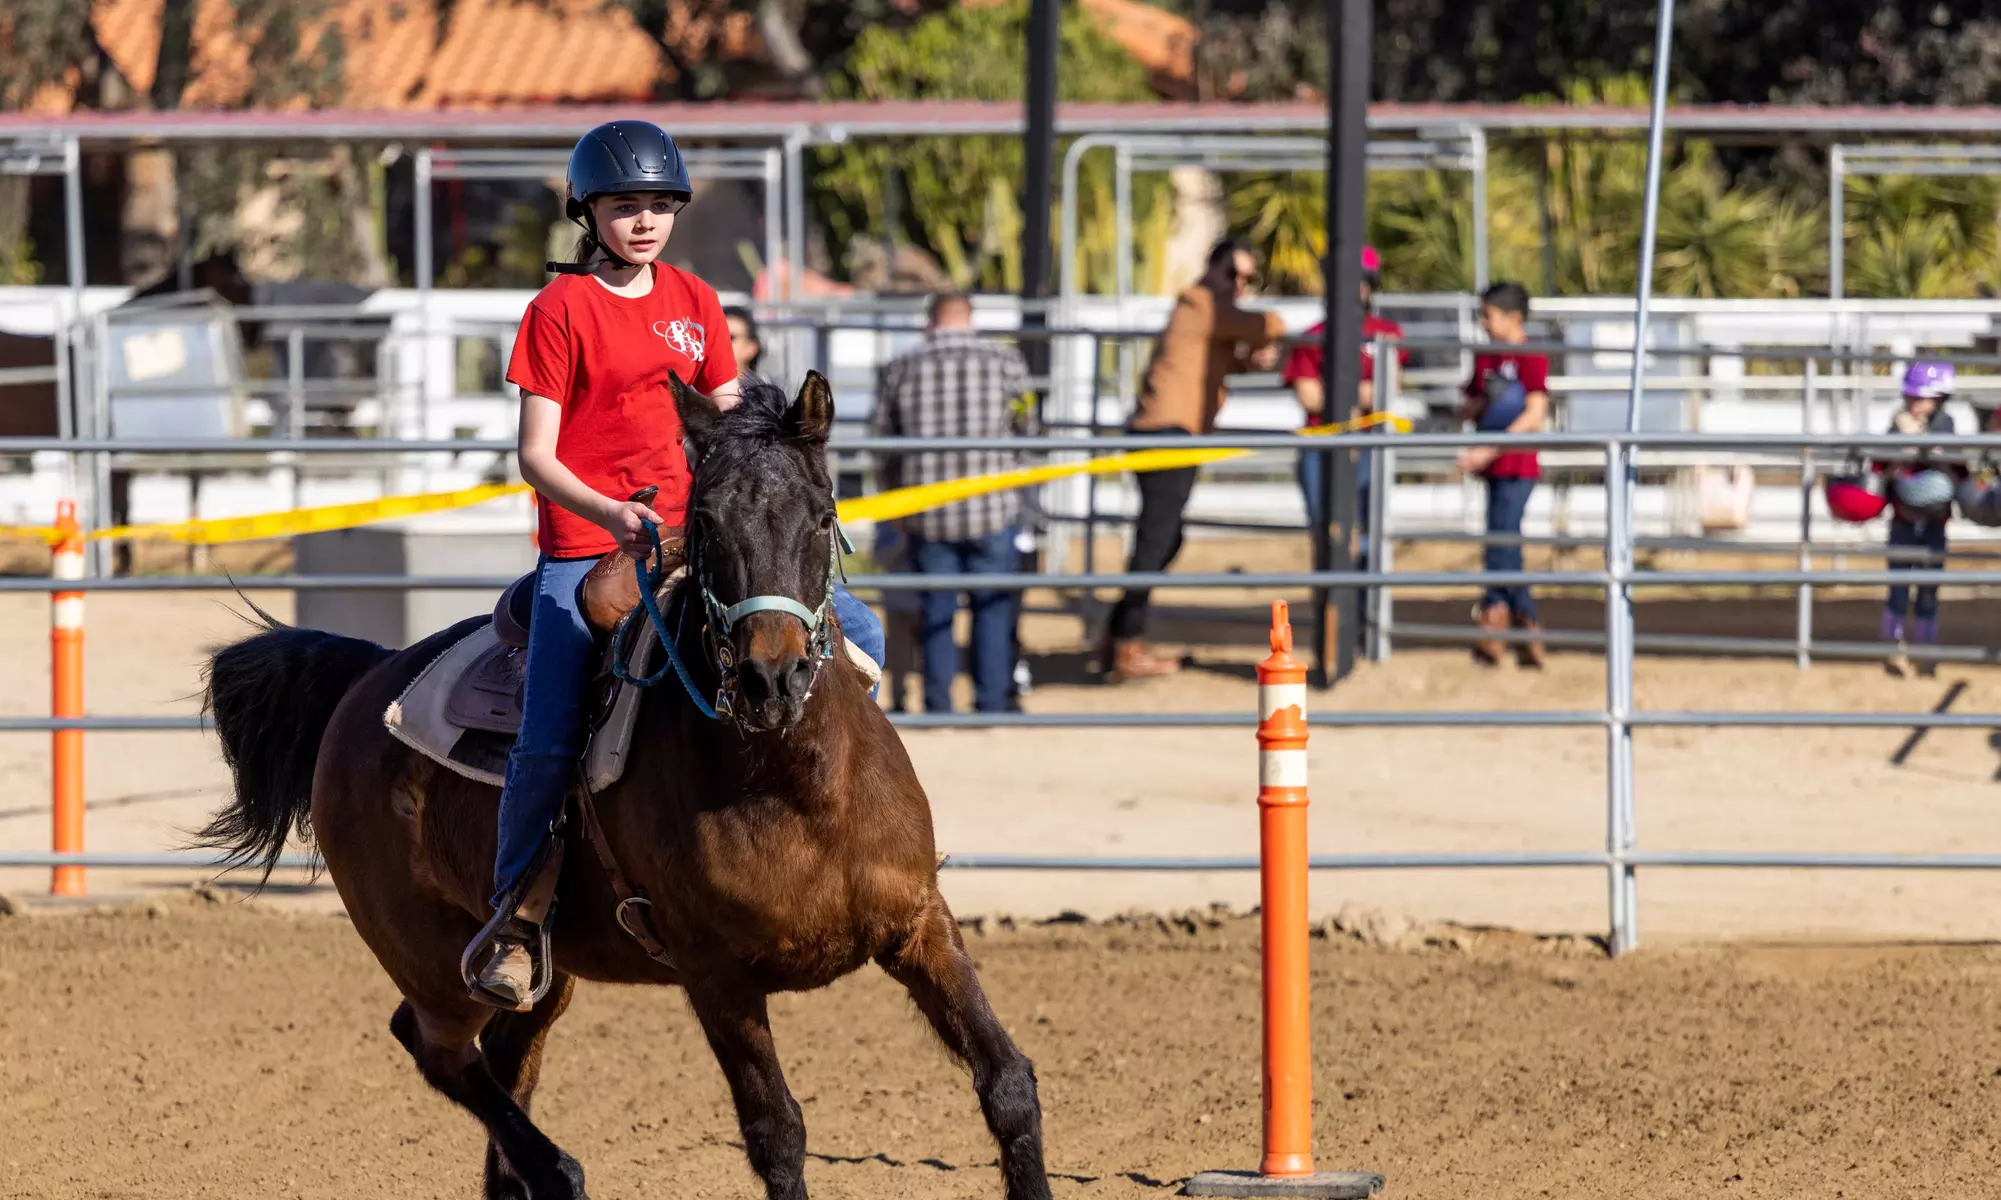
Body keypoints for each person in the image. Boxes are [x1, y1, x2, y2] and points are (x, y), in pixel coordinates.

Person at [469, 120, 883, 1008]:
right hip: (588, 547)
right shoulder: (558, 312)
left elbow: (733, 419)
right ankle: (517, 916)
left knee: (858, 631)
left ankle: (849, 843)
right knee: (547, 735)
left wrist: (781, 466)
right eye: (625, 207)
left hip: (701, 536)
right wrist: (613, 512)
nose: (645, 221)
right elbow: (536, 456)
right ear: (590, 212)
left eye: (659, 205)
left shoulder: (696, 300)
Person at [1102, 239, 1284, 683]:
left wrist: (1248, 359)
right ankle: (1125, 644)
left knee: (1163, 540)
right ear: (1213, 270)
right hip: (1167, 437)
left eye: (1246, 279)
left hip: (1172, 435)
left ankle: (1120, 637)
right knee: (1155, 542)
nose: (1239, 285)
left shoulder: (1205, 310)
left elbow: (1216, 358)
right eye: (1234, 275)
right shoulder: (1202, 303)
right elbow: (1268, 323)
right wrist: (1265, 336)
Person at [870, 293, 1033, 714]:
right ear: (970, 319)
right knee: (993, 610)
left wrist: (898, 502)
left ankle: (938, 705)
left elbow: (882, 443)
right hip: (993, 508)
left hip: (929, 512)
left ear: (930, 322)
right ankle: (991, 704)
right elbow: (1028, 427)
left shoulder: (902, 367)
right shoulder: (1006, 363)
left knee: (937, 611)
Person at [1282, 244, 1410, 548]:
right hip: (1320, 444)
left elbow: (1387, 391)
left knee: (1367, 531)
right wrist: (1360, 395)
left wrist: (1337, 395)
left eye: (1360, 281)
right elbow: (1309, 397)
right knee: (1325, 531)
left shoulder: (1385, 333)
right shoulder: (1313, 336)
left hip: (1369, 442)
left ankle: (1362, 592)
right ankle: (1330, 592)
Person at [1457, 281, 1550, 669]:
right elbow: (1475, 400)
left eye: (1489, 314)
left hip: (1517, 463)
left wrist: (1490, 447)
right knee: (1500, 539)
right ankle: (1517, 621)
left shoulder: (1530, 356)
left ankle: (1506, 617)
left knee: (1504, 540)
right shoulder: (1487, 357)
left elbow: (1535, 412)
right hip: (1493, 464)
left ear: (1514, 317)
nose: (1483, 322)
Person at [1878, 360, 1959, 678]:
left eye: (1922, 397)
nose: (1914, 403)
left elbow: (1957, 468)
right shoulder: (1897, 424)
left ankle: (1927, 651)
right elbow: (1882, 467)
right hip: (1903, 521)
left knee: (1929, 589)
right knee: (1898, 586)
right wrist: (1899, 451)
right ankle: (1893, 649)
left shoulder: (1946, 426)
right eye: (1911, 397)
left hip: (1935, 522)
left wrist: (1931, 449)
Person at [724, 305, 765, 383]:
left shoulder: (763, 393)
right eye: (714, 336)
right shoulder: (696, 389)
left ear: (751, 348)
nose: (719, 344)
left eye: (730, 337)